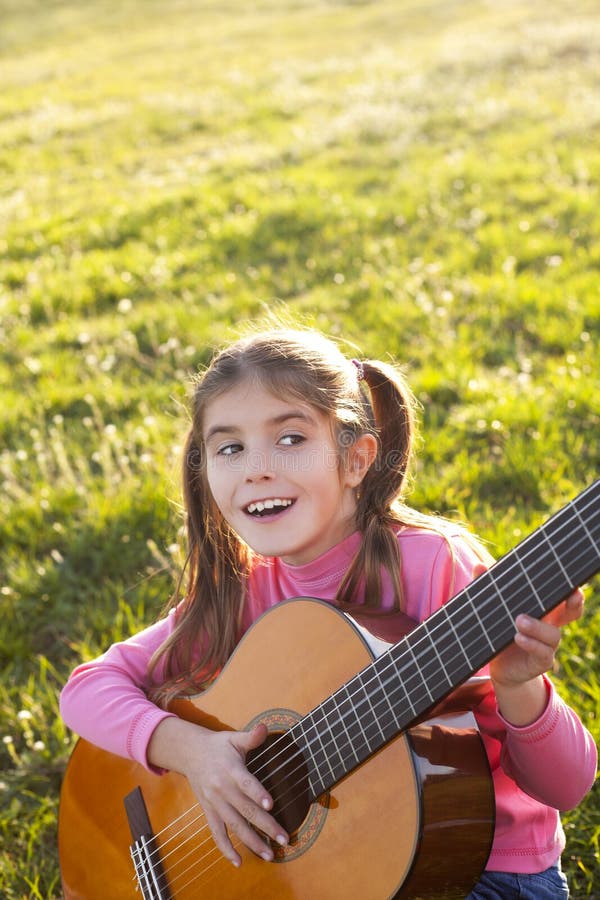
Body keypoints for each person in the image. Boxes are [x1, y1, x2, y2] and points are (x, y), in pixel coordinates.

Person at [60, 327, 596, 898]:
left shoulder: (435, 566)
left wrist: (519, 686)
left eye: (290, 438)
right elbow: (87, 689)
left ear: (356, 458)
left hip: (487, 870)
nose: (256, 468)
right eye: (230, 448)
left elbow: (566, 786)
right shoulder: (242, 592)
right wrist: (195, 753)